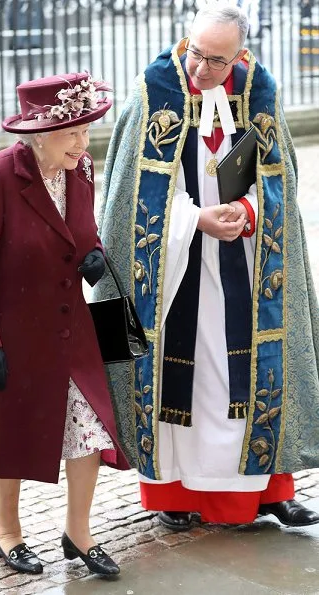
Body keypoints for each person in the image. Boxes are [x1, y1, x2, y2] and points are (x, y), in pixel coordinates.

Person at [97, 3, 319, 531]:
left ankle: (271, 490)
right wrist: (195, 219)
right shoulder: (154, 90)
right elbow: (130, 201)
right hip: (176, 275)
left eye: (217, 61)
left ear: (240, 55)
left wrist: (245, 213)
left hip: (245, 260)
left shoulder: (258, 91)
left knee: (258, 370)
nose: (201, 69)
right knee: (185, 381)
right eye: (196, 53)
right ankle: (173, 494)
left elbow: (279, 183)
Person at [0, 72, 129, 576]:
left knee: (90, 429)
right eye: (73, 133)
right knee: (10, 431)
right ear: (40, 133)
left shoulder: (80, 168)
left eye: (87, 131)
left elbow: (83, 233)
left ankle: (79, 533)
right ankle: (8, 533)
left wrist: (93, 255)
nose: (84, 143)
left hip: (71, 331)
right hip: (10, 333)